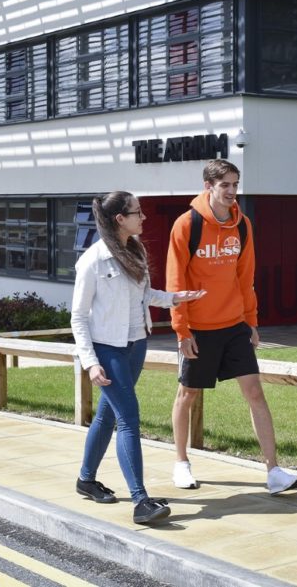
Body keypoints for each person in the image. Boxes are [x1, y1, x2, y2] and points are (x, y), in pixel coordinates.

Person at [166, 159, 297, 495]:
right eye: (224, 185)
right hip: (198, 329)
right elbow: (175, 280)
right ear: (209, 186)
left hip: (234, 327)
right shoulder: (186, 225)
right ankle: (181, 463)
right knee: (188, 394)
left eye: (235, 184)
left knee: (255, 392)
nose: (231, 191)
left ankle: (274, 472)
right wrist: (182, 331)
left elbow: (246, 278)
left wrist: (251, 323)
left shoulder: (243, 226)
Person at [71, 192, 206, 525]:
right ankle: (141, 501)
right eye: (137, 213)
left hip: (135, 344)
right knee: (128, 419)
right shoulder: (93, 260)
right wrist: (90, 362)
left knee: (107, 414)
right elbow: (78, 316)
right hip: (108, 349)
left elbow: (144, 296)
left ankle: (86, 480)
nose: (143, 217)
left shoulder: (135, 251)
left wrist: (176, 297)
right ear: (120, 219)